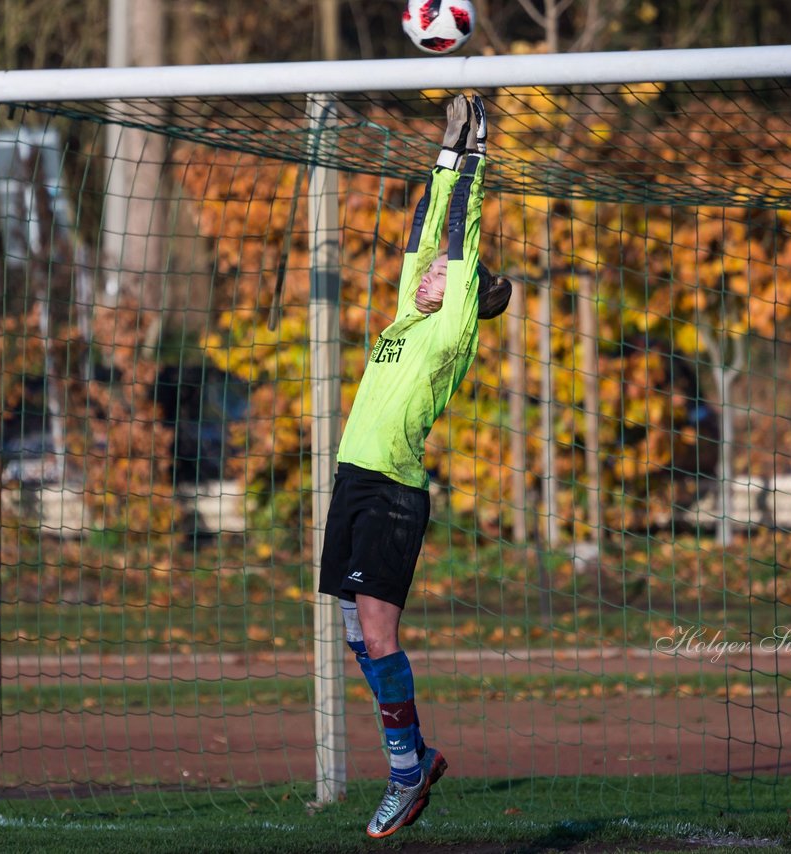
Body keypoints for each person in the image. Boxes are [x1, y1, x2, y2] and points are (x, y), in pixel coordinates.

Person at [317, 93, 512, 839]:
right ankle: (415, 755)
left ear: (458, 291)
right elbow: (424, 233)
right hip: (353, 479)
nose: (428, 270)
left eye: (441, 274)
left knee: (378, 632)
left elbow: (458, 238)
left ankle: (406, 774)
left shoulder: (450, 324)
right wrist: (441, 154)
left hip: (394, 489)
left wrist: (477, 157)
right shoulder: (410, 313)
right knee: (352, 635)